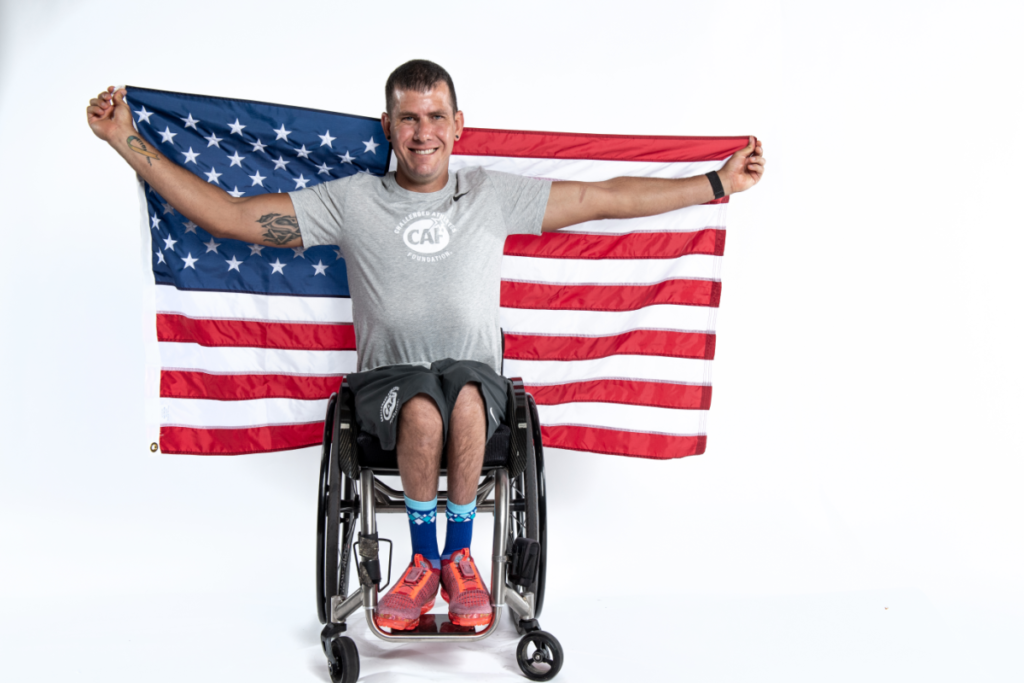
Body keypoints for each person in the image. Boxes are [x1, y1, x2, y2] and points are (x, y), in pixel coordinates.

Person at [86, 59, 765, 631]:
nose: (424, 131)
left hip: (476, 381)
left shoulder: (489, 195)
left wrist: (714, 184)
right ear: (389, 127)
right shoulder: (351, 201)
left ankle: (460, 560)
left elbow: (601, 196)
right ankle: (420, 561)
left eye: (436, 116)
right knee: (423, 405)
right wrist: (127, 141)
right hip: (389, 384)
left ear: (458, 125)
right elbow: (231, 217)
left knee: (467, 393)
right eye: (409, 118)